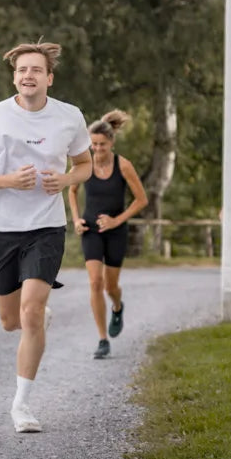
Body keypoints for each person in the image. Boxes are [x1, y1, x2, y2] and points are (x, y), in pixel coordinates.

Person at [0, 41, 91, 433]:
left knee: (31, 312)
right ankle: (34, 317)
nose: (28, 76)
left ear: (49, 78)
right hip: (1, 227)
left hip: (46, 227)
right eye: (22, 70)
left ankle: (21, 405)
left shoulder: (69, 117)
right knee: (8, 320)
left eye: (35, 70)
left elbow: (84, 165)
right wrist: (7, 181)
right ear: (15, 77)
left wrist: (66, 178)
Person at [68, 110, 148, 359]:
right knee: (95, 282)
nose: (97, 149)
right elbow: (71, 191)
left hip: (115, 231)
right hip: (91, 230)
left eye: (102, 144)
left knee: (111, 286)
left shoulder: (123, 165)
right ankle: (103, 339)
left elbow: (141, 200)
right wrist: (76, 219)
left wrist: (116, 221)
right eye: (93, 144)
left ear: (111, 142)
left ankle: (117, 306)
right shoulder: (84, 163)